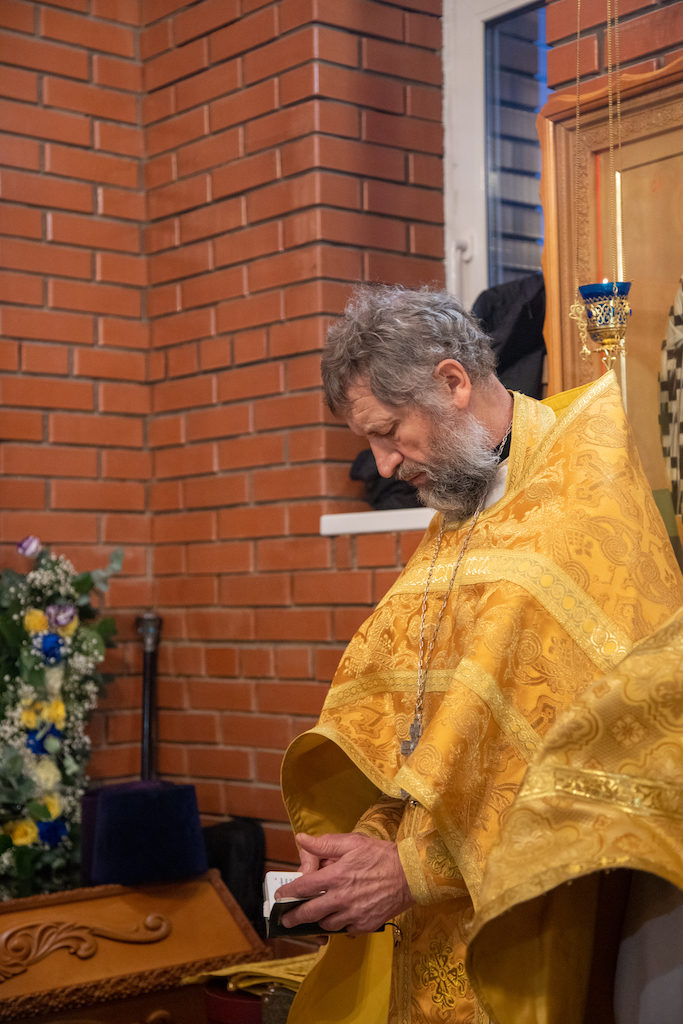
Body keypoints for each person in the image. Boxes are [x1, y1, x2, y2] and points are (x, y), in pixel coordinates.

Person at [276, 284, 683, 1024]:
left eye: (389, 432)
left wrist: (414, 868)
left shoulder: (580, 495)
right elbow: (416, 723)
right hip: (419, 919)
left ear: (452, 383)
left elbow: (596, 752)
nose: (383, 465)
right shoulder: (458, 510)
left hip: (530, 919)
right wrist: (367, 838)